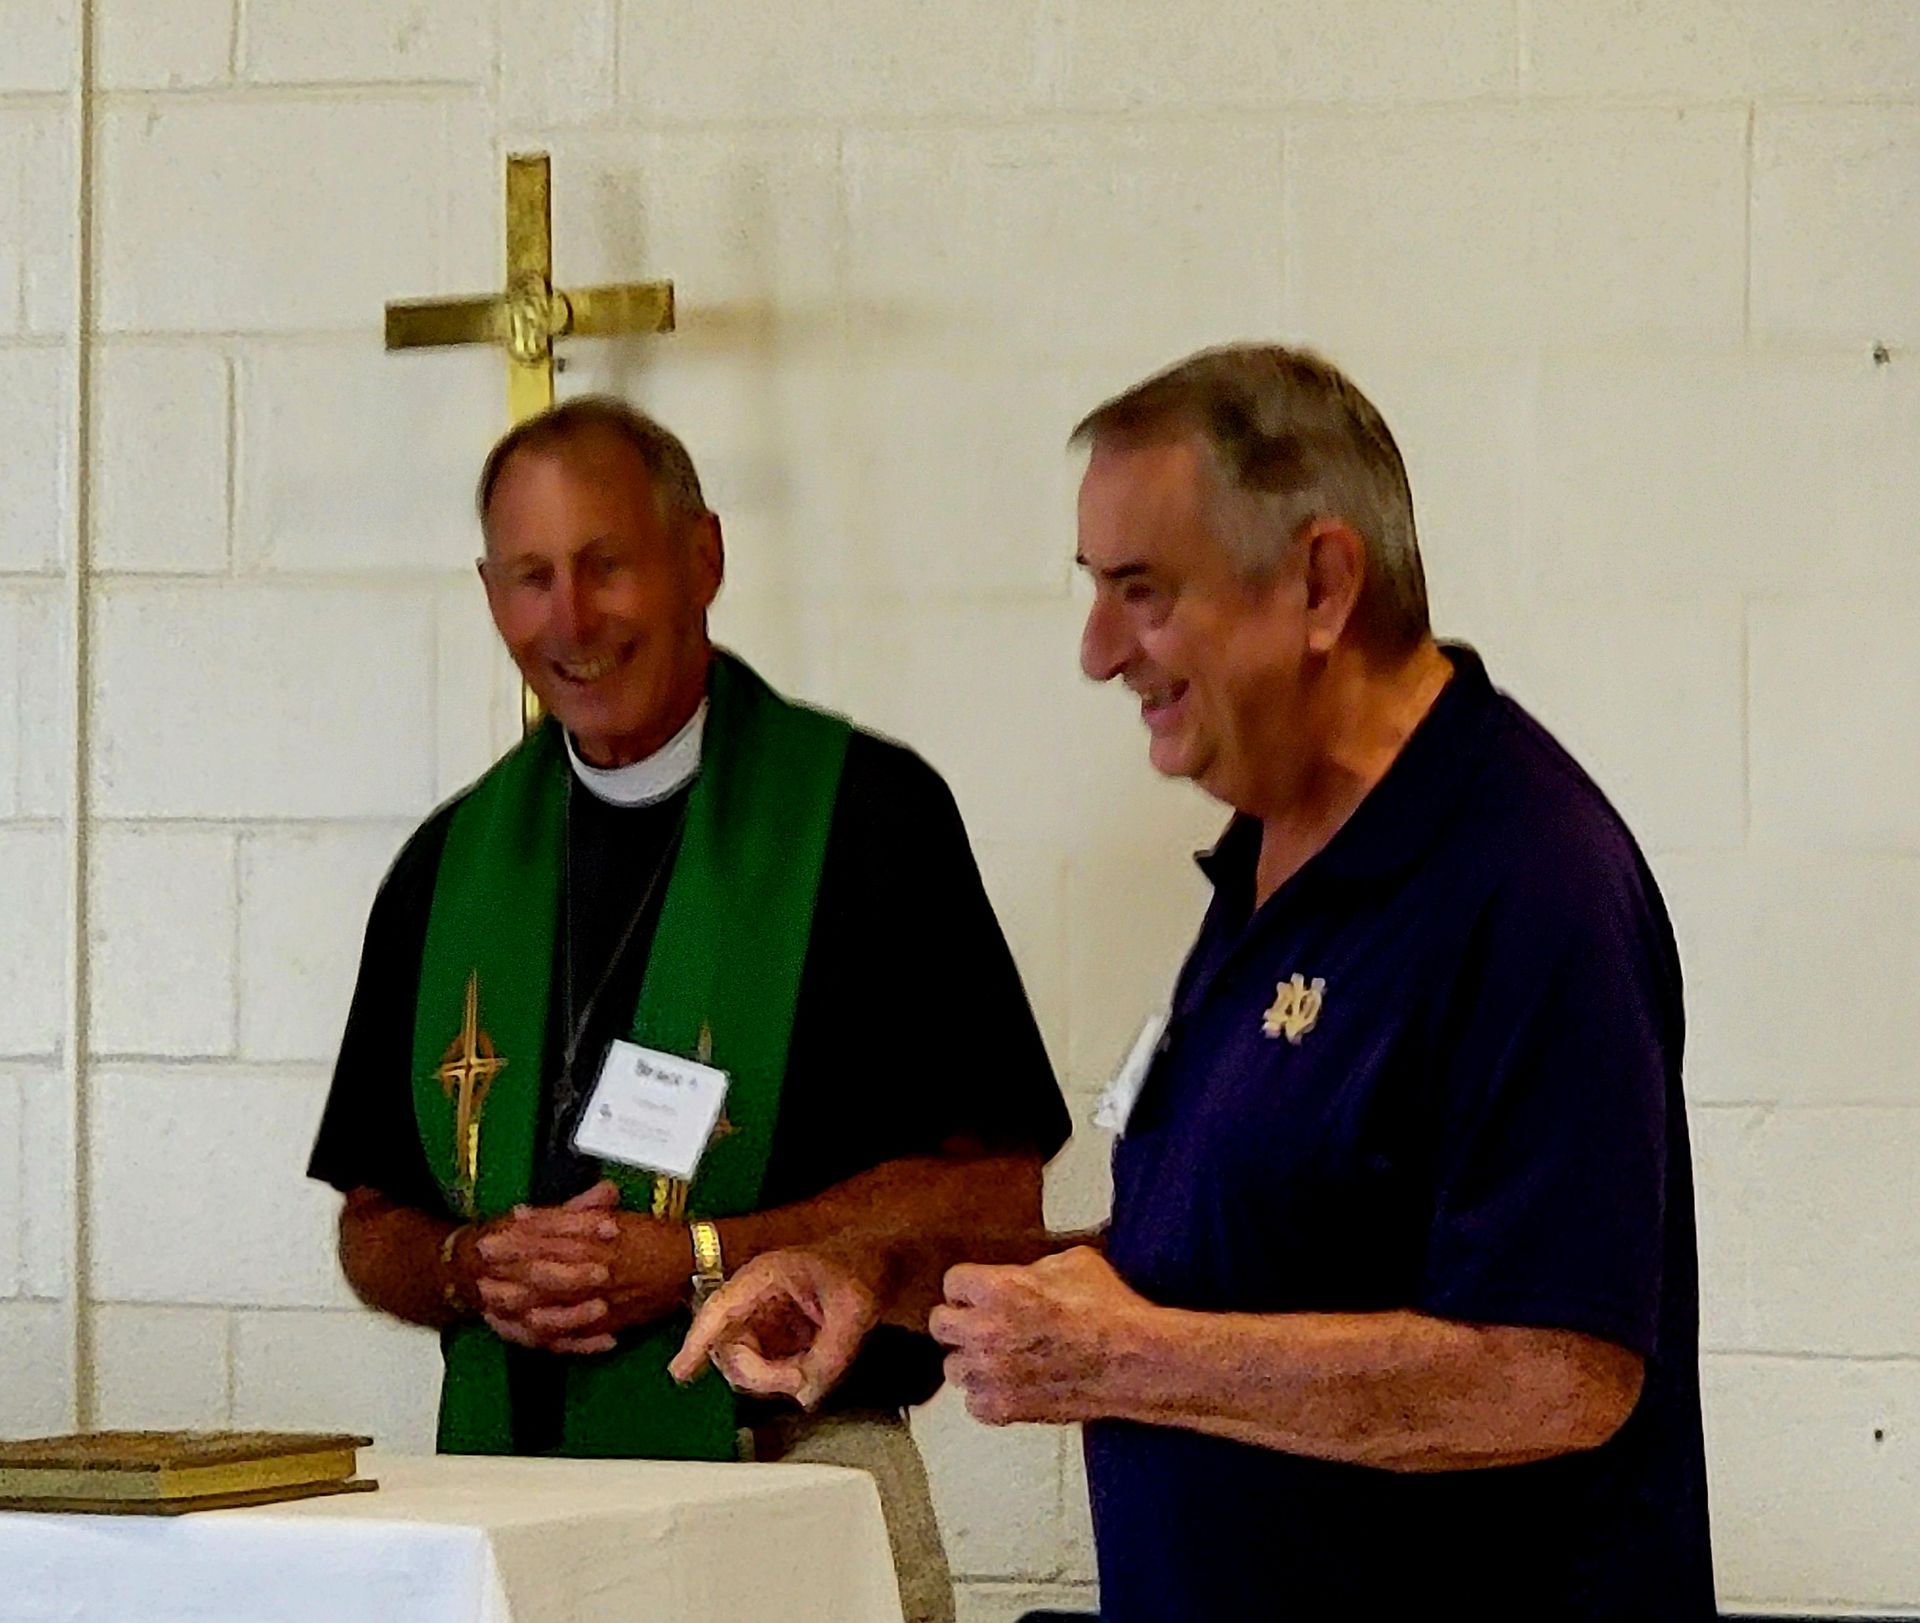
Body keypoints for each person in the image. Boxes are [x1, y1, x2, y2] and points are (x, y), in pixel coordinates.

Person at [674, 345, 1717, 1620]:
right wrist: (883, 1275)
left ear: (1324, 584)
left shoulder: (1527, 879)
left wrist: (1126, 1361)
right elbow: (1212, 1266)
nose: (1099, 650)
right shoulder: (1272, 854)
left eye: (1143, 592)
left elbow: (1558, 1374)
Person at [307, 395, 1070, 1623]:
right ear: (490, 593)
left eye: (607, 565)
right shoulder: (446, 867)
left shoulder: (870, 822)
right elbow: (372, 1218)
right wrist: (468, 1265)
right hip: (502, 1511)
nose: (572, 619)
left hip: (794, 1488)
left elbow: (996, 1198)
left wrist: (708, 1259)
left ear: (702, 557)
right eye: (531, 577)